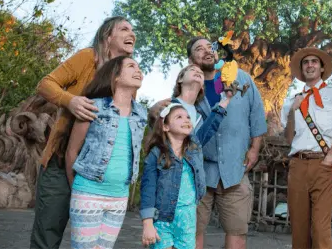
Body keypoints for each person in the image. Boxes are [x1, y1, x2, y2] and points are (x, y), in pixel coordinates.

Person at [30, 16, 136, 249]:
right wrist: (70, 101)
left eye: (133, 30)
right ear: (107, 36)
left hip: (98, 178)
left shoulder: (129, 77)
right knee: (47, 234)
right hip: (60, 161)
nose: (132, 34)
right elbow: (46, 84)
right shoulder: (88, 58)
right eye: (124, 29)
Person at [187, 36, 267, 249]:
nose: (206, 51)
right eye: (198, 49)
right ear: (191, 60)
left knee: (237, 232)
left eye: (209, 47)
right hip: (197, 170)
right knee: (192, 230)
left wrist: (254, 148)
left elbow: (257, 114)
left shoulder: (241, 78)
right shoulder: (187, 85)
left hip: (235, 169)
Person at [64, 55, 149, 249]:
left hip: (119, 197)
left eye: (139, 67)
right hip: (88, 193)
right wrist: (77, 188)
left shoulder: (141, 113)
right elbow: (72, 151)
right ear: (116, 76)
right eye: (131, 66)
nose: (138, 70)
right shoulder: (94, 106)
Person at [139, 80, 233, 249]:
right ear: (165, 126)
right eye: (179, 117)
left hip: (188, 218)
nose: (186, 120)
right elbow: (148, 189)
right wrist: (147, 224)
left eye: (188, 117)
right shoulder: (156, 154)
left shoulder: (194, 146)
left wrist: (225, 101)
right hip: (162, 219)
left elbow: (210, 125)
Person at [281, 47, 332, 249]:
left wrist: (329, 159)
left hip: (323, 164)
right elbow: (289, 138)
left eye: (314, 62)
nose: (310, 65)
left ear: (322, 68)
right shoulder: (292, 99)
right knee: (299, 229)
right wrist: (292, 111)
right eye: (306, 62)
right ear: (302, 70)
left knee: (321, 230)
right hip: (298, 165)